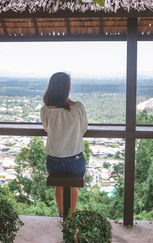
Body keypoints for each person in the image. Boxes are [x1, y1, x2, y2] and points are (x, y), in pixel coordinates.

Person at [40, 72, 88, 218]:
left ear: (51, 88)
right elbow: (83, 128)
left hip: (54, 160)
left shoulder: (46, 109)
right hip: (75, 159)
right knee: (73, 186)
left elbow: (47, 128)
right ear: (68, 88)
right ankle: (71, 216)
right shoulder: (78, 107)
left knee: (59, 185)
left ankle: (62, 214)